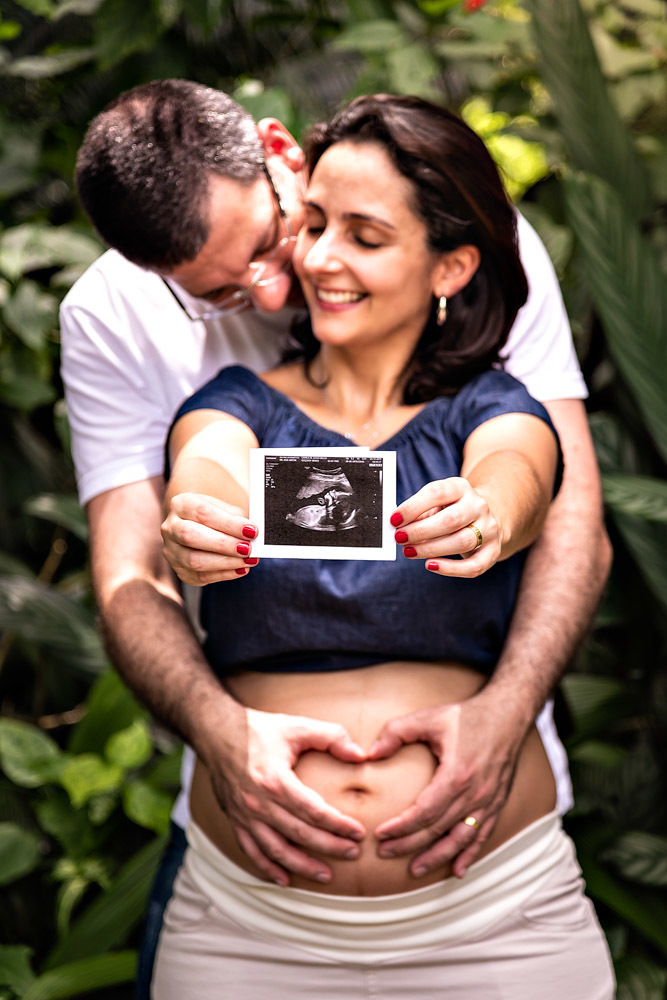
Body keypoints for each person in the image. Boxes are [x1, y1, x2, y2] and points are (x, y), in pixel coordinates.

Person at [59, 80, 611, 993]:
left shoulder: (481, 339)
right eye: (223, 292)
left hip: (493, 900)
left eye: (296, 234)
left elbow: (543, 485)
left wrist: (495, 513)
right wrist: (196, 517)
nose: (290, 281)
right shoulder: (171, 356)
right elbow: (175, 509)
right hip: (254, 906)